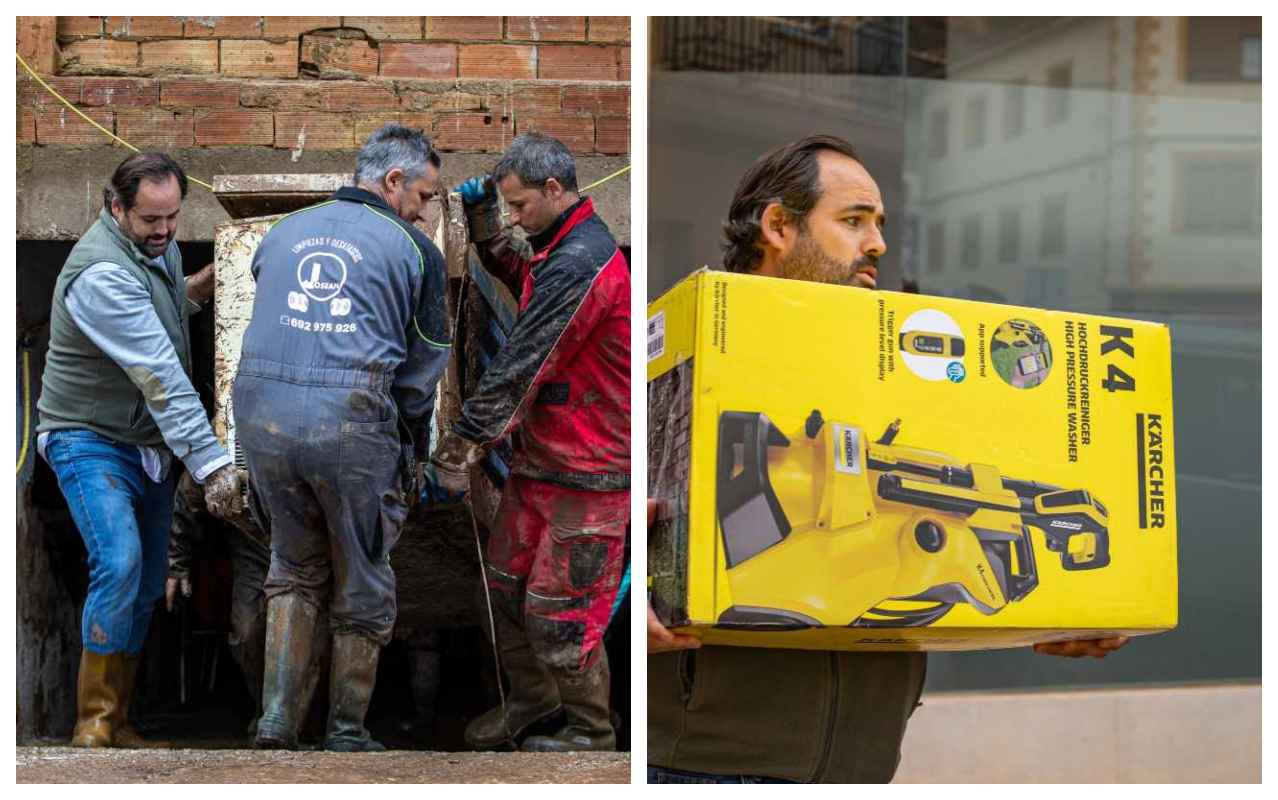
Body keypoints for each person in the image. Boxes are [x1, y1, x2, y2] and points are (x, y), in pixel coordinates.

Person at [647, 135, 1128, 784]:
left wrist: (1057, 610)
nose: (876, 243)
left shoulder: (895, 369)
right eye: (853, 221)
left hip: (862, 759)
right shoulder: (682, 349)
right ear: (778, 226)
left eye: (879, 225)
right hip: (709, 758)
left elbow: (934, 515)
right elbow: (598, 514)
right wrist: (628, 585)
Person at [233, 124, 451, 752]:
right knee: (362, 571)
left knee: (293, 565)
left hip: (261, 417)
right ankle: (346, 728)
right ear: (392, 182)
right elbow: (425, 364)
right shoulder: (415, 251)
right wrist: (410, 443)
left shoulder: (282, 232)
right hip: (350, 420)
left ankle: (276, 721)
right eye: (425, 195)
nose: (425, 208)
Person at [36, 152, 242, 748]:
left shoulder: (159, 249)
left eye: (174, 217)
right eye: (151, 219)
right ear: (114, 206)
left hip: (144, 445)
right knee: (120, 562)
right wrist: (213, 468)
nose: (165, 231)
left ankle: (120, 717)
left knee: (150, 580)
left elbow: (165, 312)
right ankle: (93, 722)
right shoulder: (99, 275)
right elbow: (161, 376)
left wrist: (209, 281)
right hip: (88, 437)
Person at [436, 133, 630, 752]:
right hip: (544, 464)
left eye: (518, 207)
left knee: (559, 613)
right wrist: (487, 226)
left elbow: (526, 359)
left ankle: (591, 732)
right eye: (506, 207)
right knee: (498, 590)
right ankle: (531, 702)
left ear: (555, 190)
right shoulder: (561, 247)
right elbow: (526, 277)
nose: (515, 218)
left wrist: (461, 445)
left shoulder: (584, 261)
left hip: (590, 474)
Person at [166, 470, 329, 741]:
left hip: (309, 541)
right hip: (252, 541)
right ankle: (268, 708)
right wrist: (177, 561)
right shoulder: (233, 446)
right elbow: (189, 490)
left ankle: (303, 720)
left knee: (313, 634)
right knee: (246, 630)